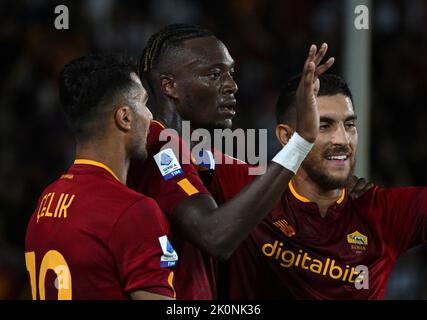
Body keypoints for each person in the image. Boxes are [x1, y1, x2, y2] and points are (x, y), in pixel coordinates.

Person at [128, 23, 334, 299]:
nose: (232, 85)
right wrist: (301, 141)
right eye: (214, 74)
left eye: (231, 73)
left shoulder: (200, 156)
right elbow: (215, 235)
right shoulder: (158, 145)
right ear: (170, 86)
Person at [215, 73, 427, 299]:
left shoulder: (385, 212)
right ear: (287, 136)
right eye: (323, 126)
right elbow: (175, 146)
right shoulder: (243, 189)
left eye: (350, 125)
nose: (342, 140)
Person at [25, 54, 177, 300]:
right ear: (125, 117)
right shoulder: (134, 211)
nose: (151, 116)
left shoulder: (46, 201)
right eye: (144, 103)